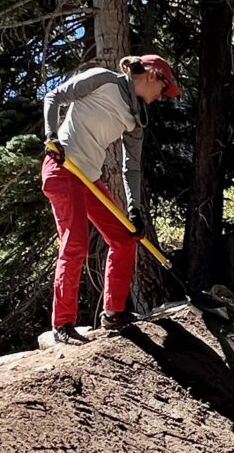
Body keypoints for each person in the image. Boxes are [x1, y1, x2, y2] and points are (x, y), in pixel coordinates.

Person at [41, 54, 181, 341]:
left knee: (125, 237)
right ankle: (63, 325)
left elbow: (132, 169)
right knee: (76, 243)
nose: (162, 97)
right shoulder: (102, 79)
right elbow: (54, 97)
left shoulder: (137, 120)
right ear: (152, 75)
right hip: (63, 168)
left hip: (90, 180)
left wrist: (135, 210)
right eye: (163, 89)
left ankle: (114, 314)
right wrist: (51, 136)